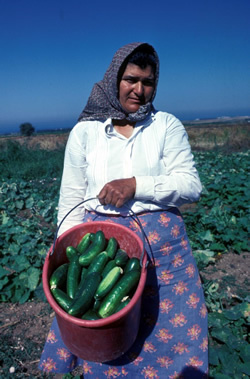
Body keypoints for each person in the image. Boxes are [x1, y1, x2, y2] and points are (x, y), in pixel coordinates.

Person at [39, 42, 208, 378]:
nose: (139, 90)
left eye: (148, 83)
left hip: (166, 251)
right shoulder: (86, 132)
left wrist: (137, 184)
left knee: (173, 328)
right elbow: (71, 196)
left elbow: (191, 185)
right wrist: (61, 246)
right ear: (114, 78)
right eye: (131, 79)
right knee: (101, 325)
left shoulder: (166, 126)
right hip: (100, 246)